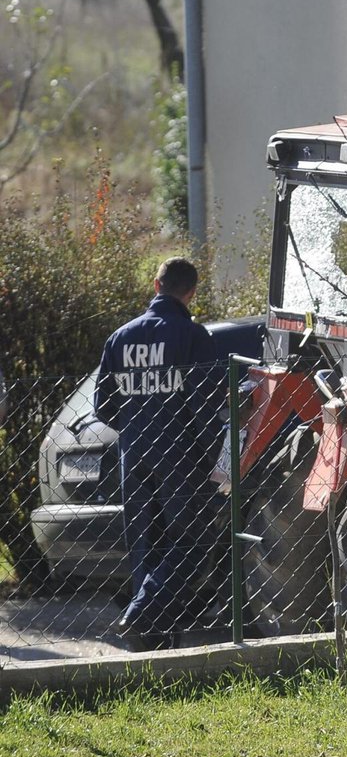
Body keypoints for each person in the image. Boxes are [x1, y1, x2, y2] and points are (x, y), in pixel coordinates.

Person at [96, 257, 223, 650]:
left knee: (145, 544)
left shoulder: (120, 338)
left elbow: (103, 405)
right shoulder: (192, 335)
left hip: (134, 455)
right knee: (191, 542)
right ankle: (140, 615)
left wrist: (138, 426)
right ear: (192, 293)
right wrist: (214, 454)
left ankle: (149, 640)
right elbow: (207, 402)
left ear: (156, 285)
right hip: (180, 455)